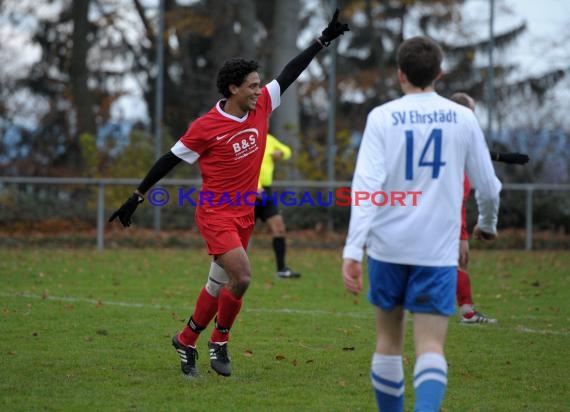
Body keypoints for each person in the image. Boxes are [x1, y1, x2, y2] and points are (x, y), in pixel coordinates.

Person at [109, 10, 349, 378]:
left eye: (259, 85)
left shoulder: (262, 105)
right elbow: (167, 160)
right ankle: (219, 339)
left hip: (245, 213)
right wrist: (137, 196)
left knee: (216, 284)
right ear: (234, 88)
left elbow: (290, 72)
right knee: (243, 277)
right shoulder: (206, 127)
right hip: (216, 213)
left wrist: (322, 40)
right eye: (252, 85)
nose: (259, 89)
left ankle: (186, 338)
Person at [341, 36, 501, 411]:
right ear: (439, 74)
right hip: (437, 251)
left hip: (387, 248)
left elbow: (365, 188)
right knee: (430, 346)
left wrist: (352, 249)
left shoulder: (381, 117)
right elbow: (489, 187)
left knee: (388, 343)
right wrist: (488, 223)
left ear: (400, 74)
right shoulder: (462, 117)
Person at [450, 92, 529, 324]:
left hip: (456, 207)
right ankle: (461, 311)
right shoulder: (458, 131)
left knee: (460, 258)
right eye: (473, 111)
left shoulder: (455, 134)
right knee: (452, 259)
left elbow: (474, 153)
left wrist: (502, 157)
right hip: (449, 207)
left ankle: (464, 310)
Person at [254, 132, 301, 278]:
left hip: (265, 191)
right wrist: (255, 186)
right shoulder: (246, 137)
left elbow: (287, 151)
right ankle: (226, 271)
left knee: (279, 228)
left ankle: (281, 270)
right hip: (248, 189)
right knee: (240, 233)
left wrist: (280, 153)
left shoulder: (268, 138)